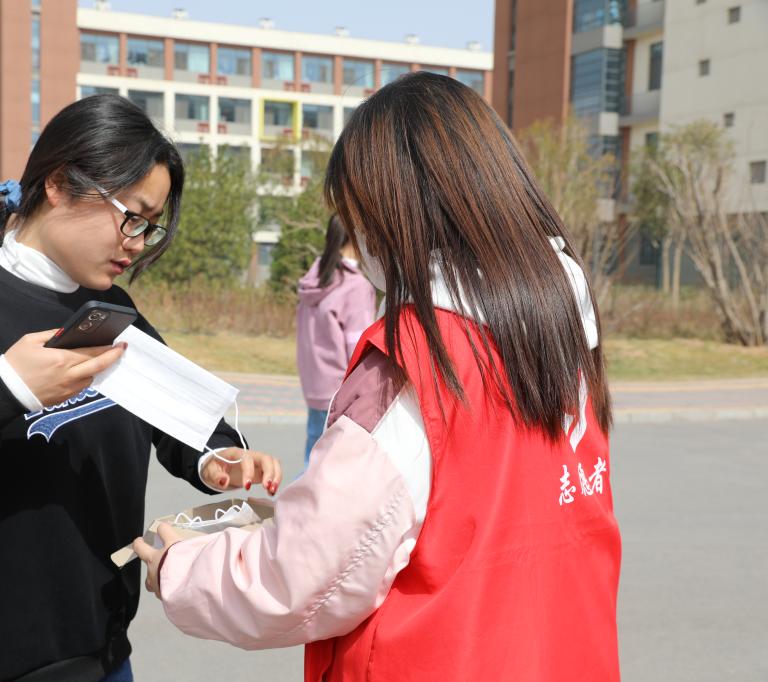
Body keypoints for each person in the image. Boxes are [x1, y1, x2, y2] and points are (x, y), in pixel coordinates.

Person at [134, 72, 621, 681]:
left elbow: (305, 575)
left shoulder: (417, 357)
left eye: (355, 212)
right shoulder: (562, 331)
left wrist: (181, 566)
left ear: (393, 212)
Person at [0, 94, 282, 682]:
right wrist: (2, 393)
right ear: (61, 184)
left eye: (150, 227)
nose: (137, 242)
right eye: (132, 216)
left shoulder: (111, 312)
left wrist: (216, 457)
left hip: (101, 657)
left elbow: (177, 420)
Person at [296, 216, 376, 464]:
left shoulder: (315, 279)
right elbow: (360, 349)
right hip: (341, 391)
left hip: (315, 387)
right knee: (331, 471)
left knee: (313, 462)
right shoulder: (356, 286)